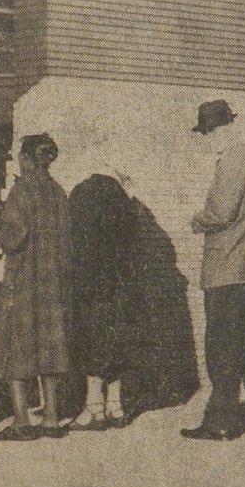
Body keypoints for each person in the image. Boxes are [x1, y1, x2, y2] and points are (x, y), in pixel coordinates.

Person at [182, 100, 245, 441]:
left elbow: (220, 212)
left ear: (213, 130)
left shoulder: (232, 160)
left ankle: (220, 422)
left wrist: (196, 219)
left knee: (222, 352)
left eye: (204, 134)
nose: (204, 142)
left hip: (227, 271)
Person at [0, 133, 71, 441]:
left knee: (15, 346)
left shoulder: (21, 191)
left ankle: (21, 420)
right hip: (52, 285)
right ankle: (51, 419)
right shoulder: (58, 192)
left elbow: (12, 238)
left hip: (22, 282)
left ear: (24, 159)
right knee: (48, 348)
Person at [69, 172, 137, 428]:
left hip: (91, 284)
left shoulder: (84, 194)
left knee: (92, 340)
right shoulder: (125, 206)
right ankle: (115, 406)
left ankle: (94, 407)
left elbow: (75, 242)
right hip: (119, 285)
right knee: (115, 341)